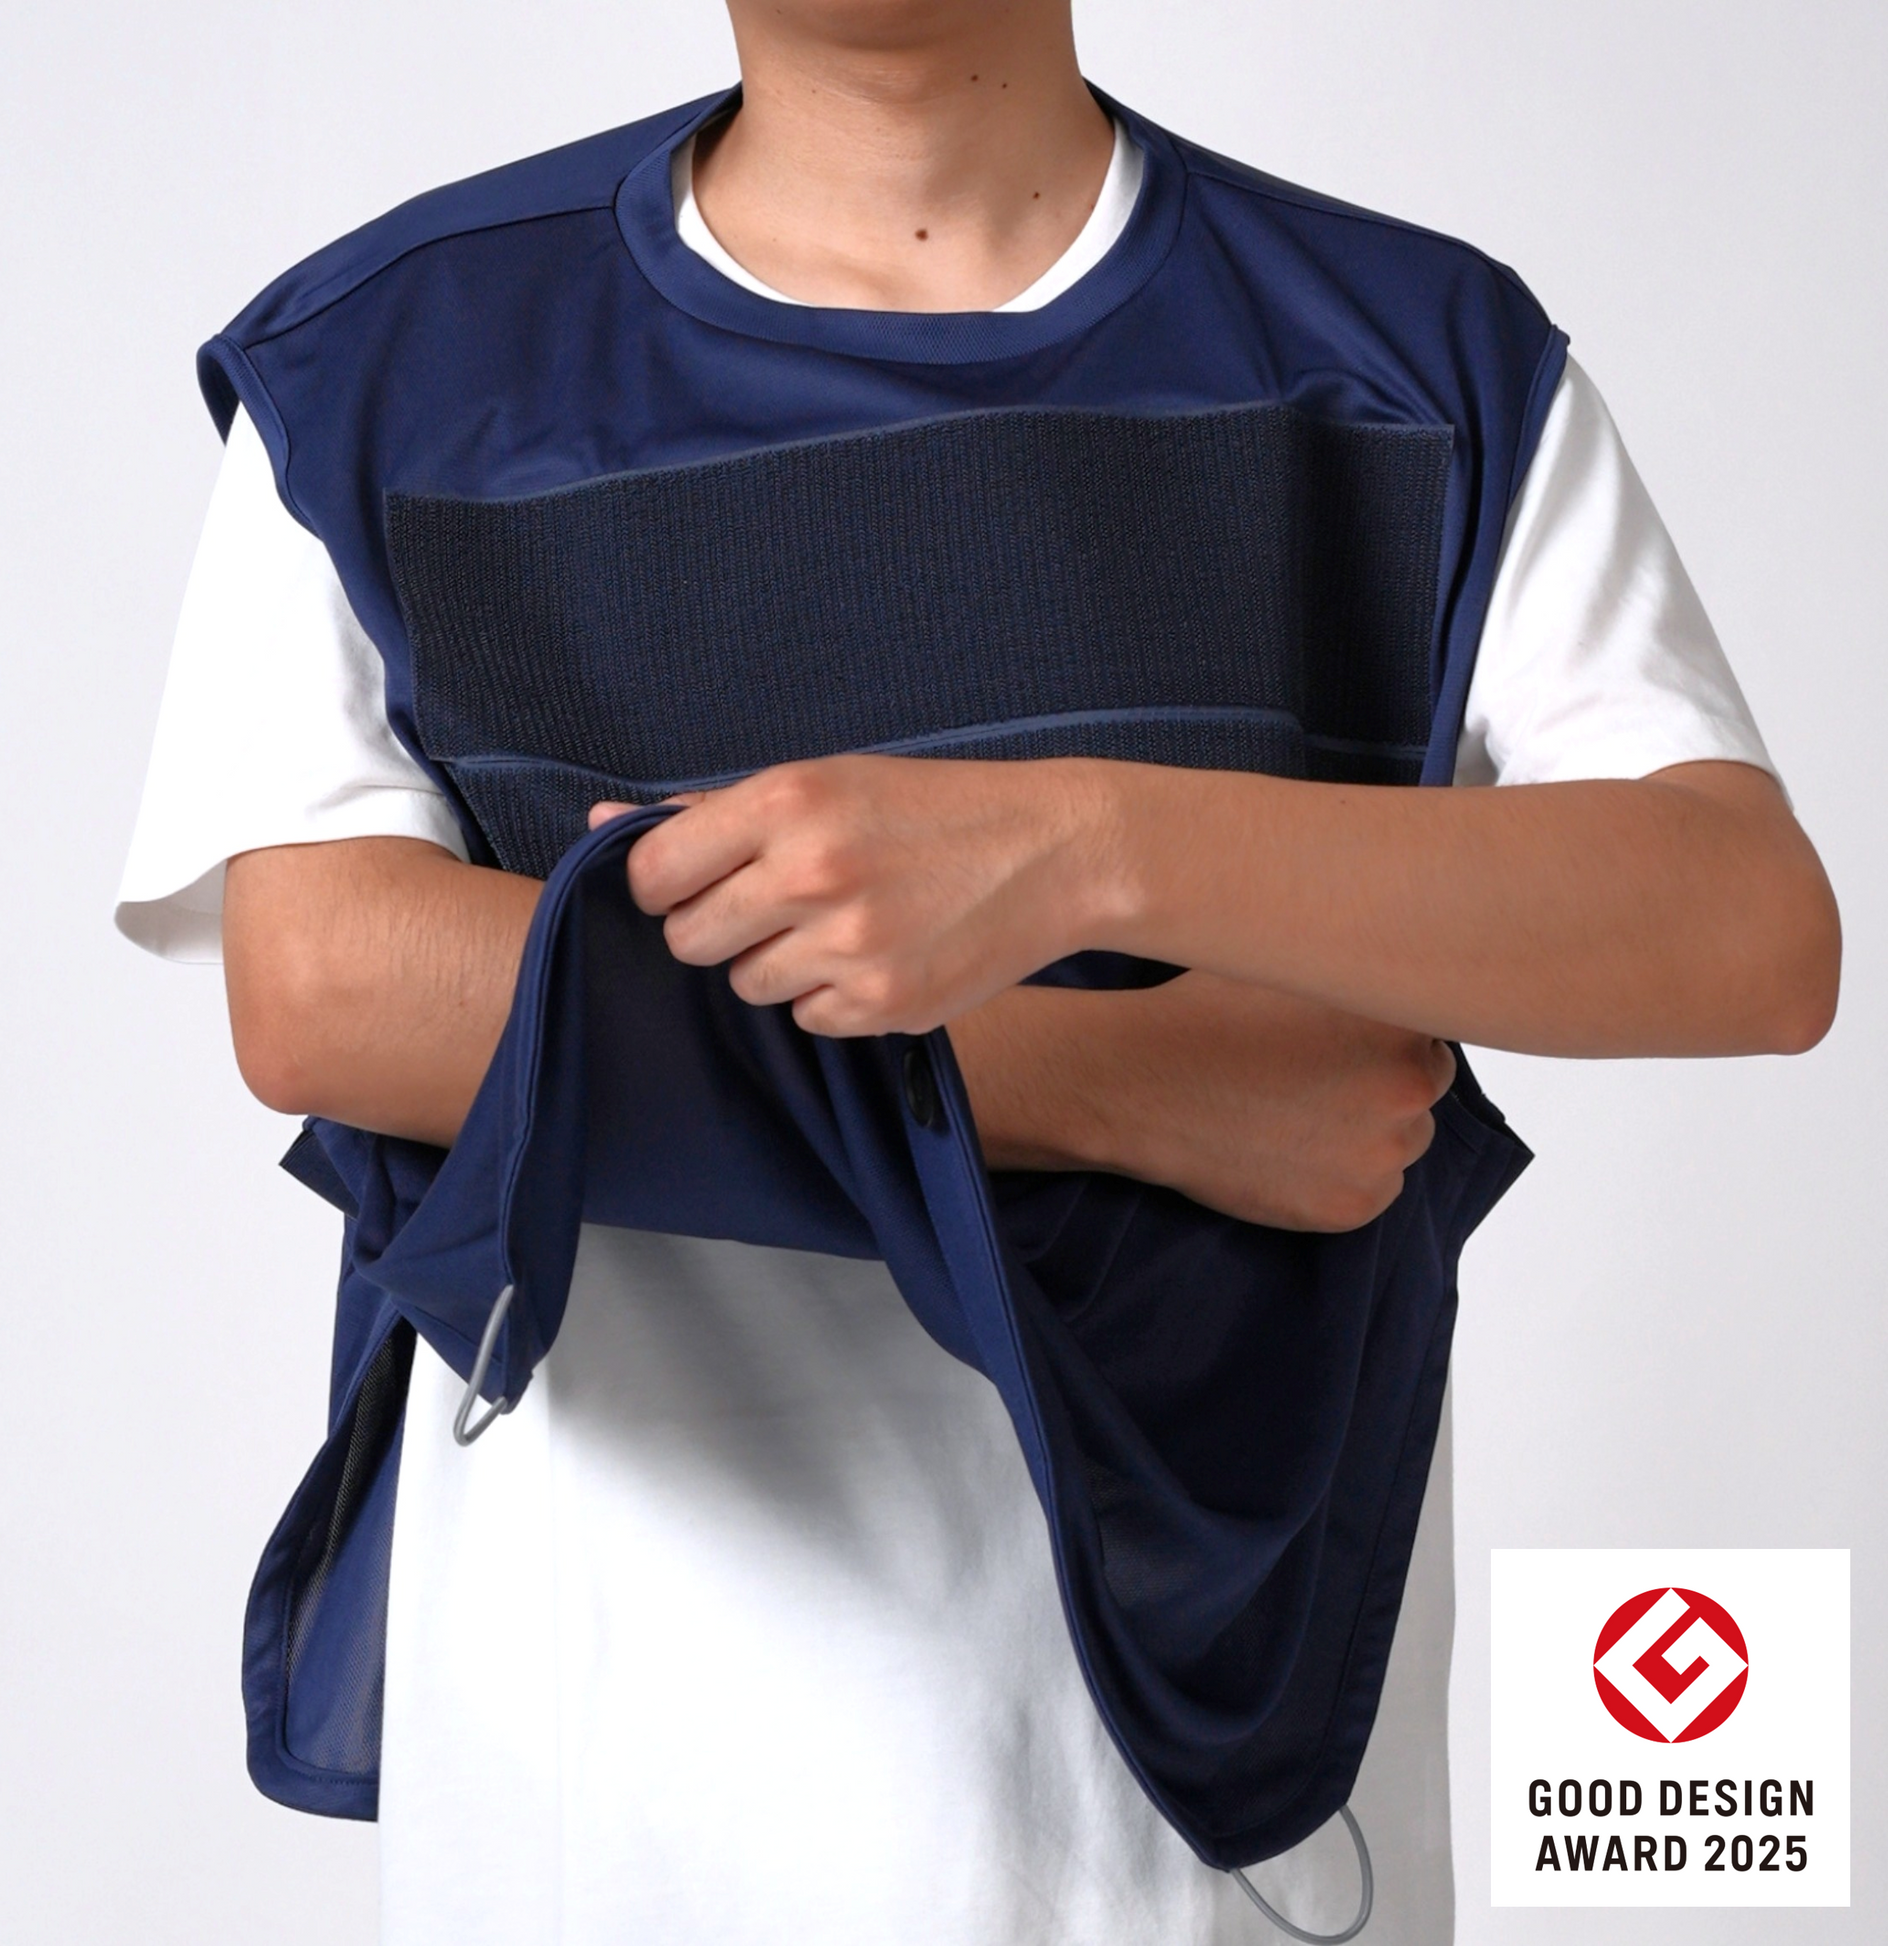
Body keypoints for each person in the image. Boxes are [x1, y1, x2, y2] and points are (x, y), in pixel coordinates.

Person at [117, 2, 1838, 1940]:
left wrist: (1076, 843)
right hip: (607, 1808)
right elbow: (332, 991)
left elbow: (1741, 929)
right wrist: (1102, 1080)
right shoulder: (387, 362)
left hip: (1214, 1819)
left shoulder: (1411, 355)